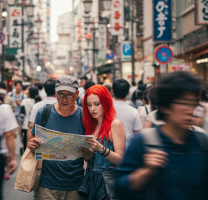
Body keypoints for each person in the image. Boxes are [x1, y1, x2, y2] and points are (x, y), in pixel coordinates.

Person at [116, 71, 208, 200]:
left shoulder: (202, 142)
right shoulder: (143, 142)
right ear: (165, 106)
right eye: (184, 103)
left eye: (194, 104)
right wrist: (145, 172)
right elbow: (120, 188)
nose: (190, 110)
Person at [28, 75, 90, 200]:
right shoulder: (43, 113)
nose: (64, 99)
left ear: (77, 95)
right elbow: (34, 147)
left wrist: (89, 155)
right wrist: (32, 146)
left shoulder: (84, 116)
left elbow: (90, 151)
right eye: (61, 94)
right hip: (46, 185)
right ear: (55, 94)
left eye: (69, 95)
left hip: (75, 185)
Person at [79, 84, 126, 199]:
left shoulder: (115, 124)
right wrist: (87, 156)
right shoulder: (91, 124)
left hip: (107, 184)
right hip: (91, 181)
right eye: (89, 105)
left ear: (105, 102)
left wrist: (101, 149)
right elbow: (91, 161)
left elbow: (121, 159)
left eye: (97, 104)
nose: (92, 109)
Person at [112, 79, 142, 147]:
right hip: (128, 148)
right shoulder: (134, 111)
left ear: (112, 92)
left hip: (109, 150)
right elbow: (137, 134)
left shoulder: (106, 109)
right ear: (128, 93)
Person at [27, 79, 57, 145]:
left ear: (45, 89)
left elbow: (31, 126)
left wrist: (29, 145)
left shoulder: (37, 106)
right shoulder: (61, 106)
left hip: (41, 144)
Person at [19, 86, 40, 152]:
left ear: (29, 93)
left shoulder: (24, 101)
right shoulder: (38, 102)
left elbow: (21, 115)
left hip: (26, 126)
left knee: (26, 145)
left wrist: (20, 125)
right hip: (36, 127)